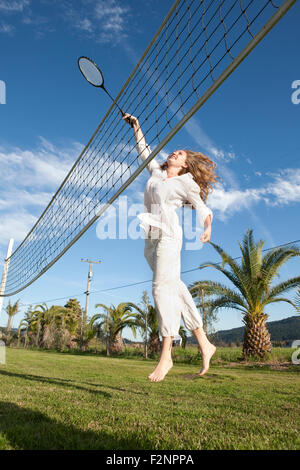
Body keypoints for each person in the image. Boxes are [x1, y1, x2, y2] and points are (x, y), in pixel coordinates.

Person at [123, 113, 219, 382]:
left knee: (160, 287)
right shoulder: (156, 171)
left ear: (186, 165)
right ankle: (204, 342)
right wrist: (137, 126)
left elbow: (202, 207)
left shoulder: (186, 183)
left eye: (179, 153)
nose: (174, 152)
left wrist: (207, 226)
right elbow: (144, 150)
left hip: (169, 236)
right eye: (175, 151)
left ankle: (166, 354)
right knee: (174, 286)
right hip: (151, 238)